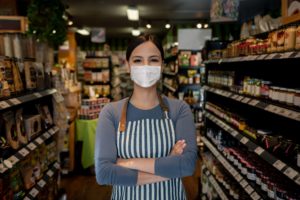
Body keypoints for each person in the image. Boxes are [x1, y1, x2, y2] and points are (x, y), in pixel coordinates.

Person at [95, 34, 197, 200]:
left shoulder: (179, 110)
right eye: (137, 60)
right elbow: (104, 174)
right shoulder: (111, 112)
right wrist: (169, 165)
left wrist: (127, 163)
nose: (146, 66)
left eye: (153, 60)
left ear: (162, 65)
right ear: (128, 66)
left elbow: (187, 165)